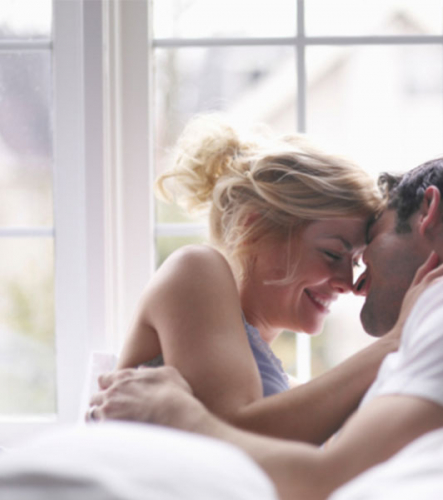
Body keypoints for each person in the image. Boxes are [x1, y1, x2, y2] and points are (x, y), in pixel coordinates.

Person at [91, 153, 443, 500]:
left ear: (427, 212)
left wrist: (174, 412)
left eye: (366, 247)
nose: (354, 283)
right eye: (336, 254)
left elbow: (319, 480)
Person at [105, 113, 399, 445]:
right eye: (332, 254)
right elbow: (236, 436)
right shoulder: (195, 268)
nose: (347, 283)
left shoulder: (286, 392)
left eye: (355, 262)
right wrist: (396, 341)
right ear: (253, 228)